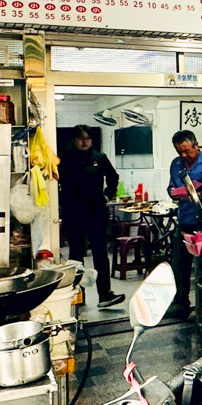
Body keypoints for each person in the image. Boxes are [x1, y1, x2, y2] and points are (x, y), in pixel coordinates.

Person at [59, 125, 124, 308]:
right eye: (81, 139)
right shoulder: (65, 159)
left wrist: (107, 195)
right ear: (75, 140)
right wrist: (62, 204)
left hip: (97, 211)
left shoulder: (99, 157)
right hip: (74, 212)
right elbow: (55, 182)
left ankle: (105, 295)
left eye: (87, 138)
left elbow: (113, 177)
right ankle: (78, 296)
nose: (84, 142)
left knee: (100, 254)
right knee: (76, 255)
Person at [168, 130, 202, 320]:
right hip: (185, 221)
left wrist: (199, 195)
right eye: (179, 151)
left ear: (197, 146)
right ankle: (180, 303)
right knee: (179, 264)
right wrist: (173, 193)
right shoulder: (176, 164)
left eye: (187, 151)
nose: (183, 155)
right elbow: (170, 185)